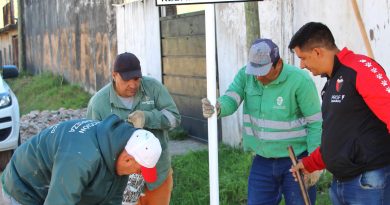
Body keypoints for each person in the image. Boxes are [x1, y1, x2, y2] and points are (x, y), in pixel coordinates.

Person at [202, 38, 323, 205]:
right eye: (255, 71)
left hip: (296, 160)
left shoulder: (300, 80)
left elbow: (315, 123)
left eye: (263, 71)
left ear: (278, 63)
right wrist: (218, 107)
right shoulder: (246, 76)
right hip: (263, 160)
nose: (258, 77)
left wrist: (313, 163)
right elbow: (232, 98)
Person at [288, 22, 390, 205]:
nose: (302, 65)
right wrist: (310, 163)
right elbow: (339, 137)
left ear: (318, 52)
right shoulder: (331, 82)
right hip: (341, 184)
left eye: (303, 58)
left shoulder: (360, 68)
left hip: (368, 183)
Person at [1, 114, 162, 205]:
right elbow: (59, 202)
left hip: (56, 186)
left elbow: (112, 200)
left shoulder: (119, 150)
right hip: (24, 187)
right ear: (128, 159)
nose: (139, 174)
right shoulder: (81, 158)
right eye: (140, 170)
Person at [86, 52, 181, 205]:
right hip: (121, 180)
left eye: (136, 79)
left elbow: (174, 118)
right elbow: (92, 146)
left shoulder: (154, 88)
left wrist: (148, 118)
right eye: (126, 79)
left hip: (157, 175)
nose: (133, 84)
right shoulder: (98, 103)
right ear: (114, 75)